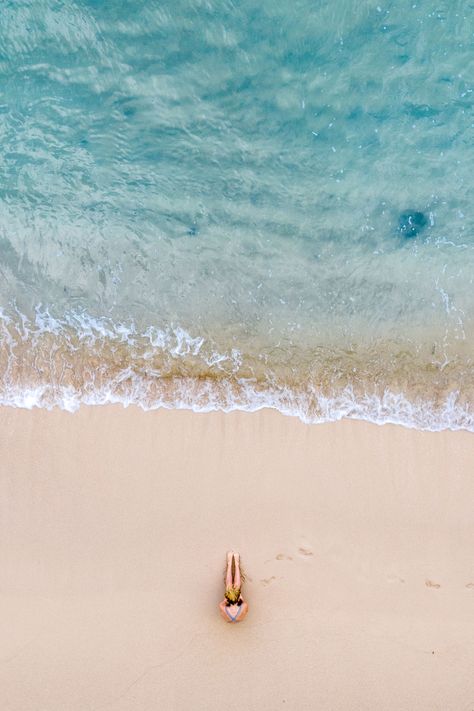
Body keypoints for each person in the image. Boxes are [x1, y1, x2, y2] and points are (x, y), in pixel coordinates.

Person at [219, 551, 249, 623]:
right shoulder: (242, 607)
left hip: (230, 617)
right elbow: (221, 604)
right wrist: (239, 597)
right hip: (232, 616)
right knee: (230, 586)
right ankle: (236, 563)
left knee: (234, 586)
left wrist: (239, 597)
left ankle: (231, 564)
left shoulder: (242, 606)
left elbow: (221, 604)